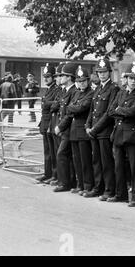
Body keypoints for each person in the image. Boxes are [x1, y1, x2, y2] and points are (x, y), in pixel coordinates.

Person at [108, 62, 135, 207]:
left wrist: (120, 110)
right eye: (130, 78)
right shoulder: (120, 93)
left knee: (134, 167)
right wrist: (122, 110)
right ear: (127, 79)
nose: (133, 81)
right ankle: (121, 194)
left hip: (132, 135)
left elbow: (133, 112)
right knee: (119, 166)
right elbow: (110, 111)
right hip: (118, 133)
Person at [85, 58, 120, 200]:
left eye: (104, 72)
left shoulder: (113, 88)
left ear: (109, 73)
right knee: (96, 161)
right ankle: (98, 187)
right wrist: (87, 125)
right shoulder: (98, 88)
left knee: (106, 162)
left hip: (104, 131)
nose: (102, 75)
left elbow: (109, 113)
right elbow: (92, 110)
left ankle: (109, 189)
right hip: (94, 130)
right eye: (100, 72)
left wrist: (94, 129)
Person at [67, 66, 95, 195]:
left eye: (83, 81)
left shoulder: (91, 93)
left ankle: (87, 185)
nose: (81, 83)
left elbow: (81, 108)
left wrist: (74, 108)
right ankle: (80, 184)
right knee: (77, 160)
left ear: (88, 81)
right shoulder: (76, 93)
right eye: (79, 81)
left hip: (83, 131)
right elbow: (69, 108)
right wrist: (74, 108)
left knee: (85, 161)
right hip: (74, 131)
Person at [53, 62, 78, 192]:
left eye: (62, 75)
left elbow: (69, 113)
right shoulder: (66, 91)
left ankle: (65, 183)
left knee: (62, 154)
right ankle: (68, 181)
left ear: (69, 77)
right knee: (65, 155)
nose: (60, 77)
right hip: (64, 129)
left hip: (69, 128)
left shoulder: (74, 91)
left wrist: (60, 127)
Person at [36, 64, 59, 184]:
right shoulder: (48, 90)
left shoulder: (56, 89)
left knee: (53, 152)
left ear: (54, 77)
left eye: (48, 76)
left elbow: (55, 104)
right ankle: (47, 173)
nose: (45, 79)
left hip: (51, 123)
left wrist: (46, 103)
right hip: (45, 124)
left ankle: (54, 175)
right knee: (47, 152)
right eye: (44, 76)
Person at [45, 62, 65, 186]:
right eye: (57, 76)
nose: (58, 78)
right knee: (53, 152)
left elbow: (54, 105)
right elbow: (52, 105)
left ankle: (60, 177)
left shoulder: (59, 90)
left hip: (61, 125)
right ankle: (55, 175)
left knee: (60, 153)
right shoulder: (59, 90)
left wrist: (49, 104)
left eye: (59, 76)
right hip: (53, 124)